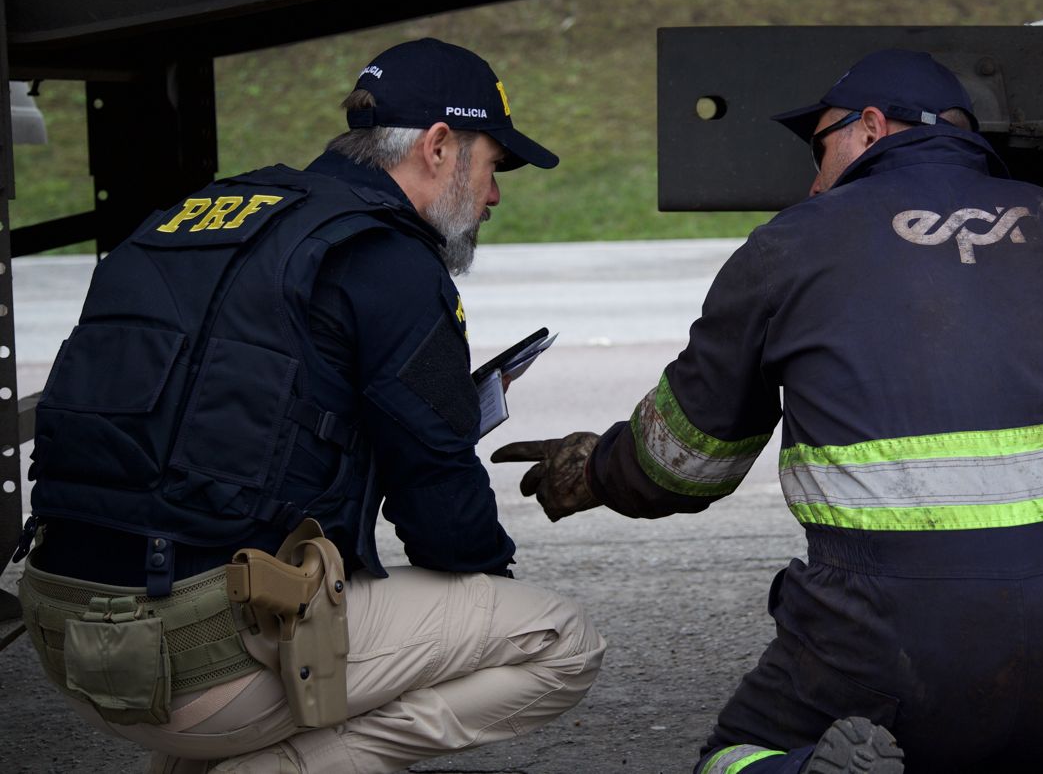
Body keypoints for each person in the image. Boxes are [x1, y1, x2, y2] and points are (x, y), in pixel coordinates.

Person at [492, 49, 1043, 774]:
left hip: (895, 639)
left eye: (819, 145)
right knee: (1016, 730)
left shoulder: (793, 244)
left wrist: (595, 467)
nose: (813, 176)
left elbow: (689, 460)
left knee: (733, 757)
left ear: (870, 127)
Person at [14, 38, 605, 774]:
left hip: (62, 635)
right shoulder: (386, 258)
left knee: (220, 564)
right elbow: (443, 518)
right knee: (559, 641)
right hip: (197, 663)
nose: (493, 194)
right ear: (440, 146)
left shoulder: (208, 214)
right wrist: (487, 592)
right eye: (492, 165)